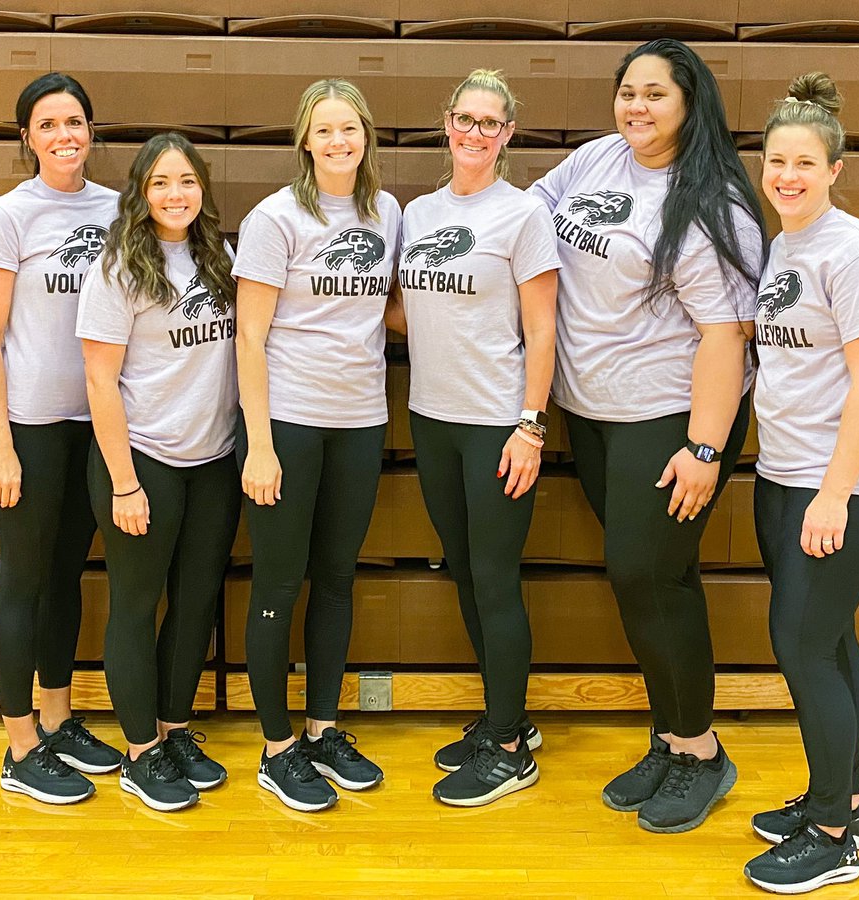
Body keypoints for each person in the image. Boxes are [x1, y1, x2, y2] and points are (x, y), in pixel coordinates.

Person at [527, 38, 765, 832]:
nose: (637, 106)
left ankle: (701, 750)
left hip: (669, 416)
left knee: (646, 575)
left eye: (656, 94)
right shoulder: (597, 159)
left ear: (691, 103)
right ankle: (670, 737)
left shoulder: (712, 204)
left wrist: (704, 449)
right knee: (654, 577)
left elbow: (726, 337)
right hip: (593, 410)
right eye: (628, 91)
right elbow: (528, 219)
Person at [742, 73, 859, 894]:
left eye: (805, 163)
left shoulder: (857, 252)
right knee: (830, 642)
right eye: (777, 161)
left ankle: (834, 837)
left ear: (835, 169)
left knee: (802, 645)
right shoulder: (785, 245)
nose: (788, 176)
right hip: (784, 472)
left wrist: (834, 494)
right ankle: (843, 799)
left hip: (844, 485)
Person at [387, 68, 560, 807]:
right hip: (432, 417)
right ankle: (500, 718)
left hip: (497, 424)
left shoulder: (523, 214)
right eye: (465, 118)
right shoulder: (418, 213)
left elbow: (543, 330)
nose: (475, 133)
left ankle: (512, 747)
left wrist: (530, 426)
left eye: (491, 122)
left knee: (493, 579)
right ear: (447, 122)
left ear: (507, 133)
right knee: (462, 570)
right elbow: (402, 309)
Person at [233, 79, 400, 813]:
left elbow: (390, 310)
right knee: (278, 582)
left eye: (349, 129)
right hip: (289, 424)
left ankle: (323, 729)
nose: (338, 142)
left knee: (336, 579)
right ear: (305, 140)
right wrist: (260, 445)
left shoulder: (386, 211)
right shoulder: (275, 218)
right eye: (324, 130)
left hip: (360, 420)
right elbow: (249, 338)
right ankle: (278, 749)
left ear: (366, 137)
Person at [0, 72, 122, 805]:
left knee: (67, 576)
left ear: (91, 131)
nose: (65, 135)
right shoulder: (7, 216)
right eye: (49, 124)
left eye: (75, 122)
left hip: (98, 425)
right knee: (23, 579)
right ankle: (20, 745)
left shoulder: (118, 210)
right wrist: (0, 443)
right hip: (31, 426)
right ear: (26, 137)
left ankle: (57, 720)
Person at [77, 133, 241, 812]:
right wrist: (125, 483)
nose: (176, 194)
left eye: (187, 181)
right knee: (137, 605)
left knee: (196, 602)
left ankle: (174, 731)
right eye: (161, 183)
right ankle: (140, 751)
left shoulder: (219, 255)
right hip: (144, 459)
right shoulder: (118, 267)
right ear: (140, 194)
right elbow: (99, 380)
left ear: (203, 187)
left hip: (213, 460)